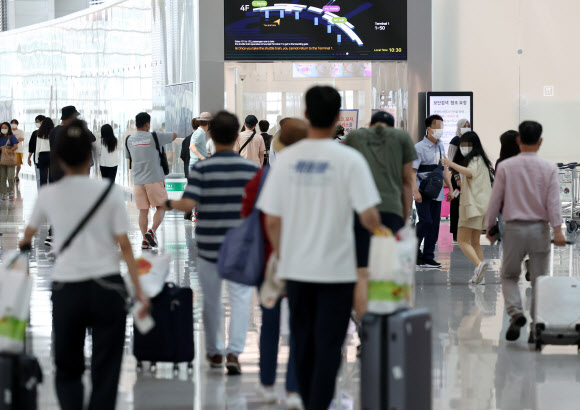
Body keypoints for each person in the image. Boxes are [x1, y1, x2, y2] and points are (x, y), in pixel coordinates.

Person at [257, 86, 386, 409]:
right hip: (337, 272)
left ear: (306, 114)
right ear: (337, 118)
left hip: (297, 270)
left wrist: (283, 254)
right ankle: (318, 403)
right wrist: (380, 230)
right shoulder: (349, 159)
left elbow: (271, 220)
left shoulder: (286, 161)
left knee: (302, 341)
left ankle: (305, 397)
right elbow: (369, 215)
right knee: (329, 345)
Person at [18, 120, 150, 410]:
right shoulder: (110, 193)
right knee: (107, 365)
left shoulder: (49, 194)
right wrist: (139, 290)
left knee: (67, 366)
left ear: (60, 158)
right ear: (91, 157)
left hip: (68, 289)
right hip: (108, 288)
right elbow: (126, 247)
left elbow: (26, 238)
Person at [164, 111, 259, 375]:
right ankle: (234, 353)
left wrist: (169, 203)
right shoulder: (251, 169)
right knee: (240, 299)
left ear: (211, 136)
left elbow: (189, 203)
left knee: (213, 300)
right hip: (241, 245)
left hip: (209, 246)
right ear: (236, 134)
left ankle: (216, 351)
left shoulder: (203, 168)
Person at [241, 118, 308, 408]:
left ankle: (267, 384)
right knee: (299, 325)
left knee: (269, 323)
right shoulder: (313, 177)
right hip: (304, 261)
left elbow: (247, 215)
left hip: (268, 261)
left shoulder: (264, 178)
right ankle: (293, 389)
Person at [485, 121, 565, 343]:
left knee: (509, 275)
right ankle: (536, 325)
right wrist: (557, 231)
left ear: (519, 140)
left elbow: (495, 200)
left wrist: (489, 226)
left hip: (514, 229)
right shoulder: (549, 168)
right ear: (540, 142)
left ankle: (516, 313)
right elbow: (554, 202)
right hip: (540, 229)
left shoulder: (506, 167)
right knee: (540, 280)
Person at [344, 110, 418, 319]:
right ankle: (386, 323)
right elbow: (406, 180)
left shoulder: (355, 137)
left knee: (362, 271)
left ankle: (364, 328)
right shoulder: (402, 137)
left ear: (371, 123)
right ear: (392, 126)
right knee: (387, 269)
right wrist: (404, 217)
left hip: (360, 208)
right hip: (391, 209)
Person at [442, 132, 493, 284]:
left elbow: (470, 174)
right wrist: (455, 194)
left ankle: (478, 265)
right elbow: (468, 185)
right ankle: (480, 277)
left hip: (472, 207)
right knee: (475, 242)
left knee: (462, 240)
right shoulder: (483, 160)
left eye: (466, 145)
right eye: (462, 145)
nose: (463, 148)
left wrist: (450, 164)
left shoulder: (474, 160)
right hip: (482, 206)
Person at [125, 112, 177, 250]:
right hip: (154, 179)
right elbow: (174, 136)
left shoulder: (129, 140)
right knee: (162, 206)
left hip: (138, 180)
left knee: (143, 211)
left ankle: (145, 240)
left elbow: (129, 157)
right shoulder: (155, 136)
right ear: (147, 124)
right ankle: (151, 231)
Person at [412, 114, 453, 268]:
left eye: (442, 127)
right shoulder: (419, 148)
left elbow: (444, 169)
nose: (440, 130)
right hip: (422, 192)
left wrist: (450, 188)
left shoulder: (441, 145)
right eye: (437, 127)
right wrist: (415, 192)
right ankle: (414, 251)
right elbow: (412, 172)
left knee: (435, 225)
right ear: (429, 128)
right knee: (425, 222)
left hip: (437, 193)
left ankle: (428, 256)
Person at [448, 119, 471, 242]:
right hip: (457, 179)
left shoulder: (470, 141)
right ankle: (455, 232)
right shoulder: (455, 140)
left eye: (468, 126)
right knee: (456, 204)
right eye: (464, 126)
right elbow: (451, 162)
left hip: (468, 177)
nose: (466, 128)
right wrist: (457, 178)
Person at [0, 122, 19, 201]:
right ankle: (3, 193)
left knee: (10, 177)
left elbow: (16, 146)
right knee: (2, 177)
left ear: (8, 128)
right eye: (2, 127)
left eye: (5, 127)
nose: (4, 129)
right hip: (1, 159)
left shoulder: (11, 136)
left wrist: (9, 150)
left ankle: (11, 191)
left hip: (10, 159)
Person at [35, 118, 54, 186]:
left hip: (42, 156)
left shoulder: (39, 134)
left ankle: (43, 195)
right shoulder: (54, 133)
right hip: (52, 156)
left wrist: (36, 161)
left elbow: (37, 148)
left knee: (43, 178)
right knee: (52, 178)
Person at [28, 115, 46, 189]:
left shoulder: (50, 132)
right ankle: (40, 193)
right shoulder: (35, 133)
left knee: (47, 178)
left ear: (43, 122)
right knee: (39, 177)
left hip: (47, 158)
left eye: (37, 121)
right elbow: (31, 146)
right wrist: (29, 157)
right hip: (37, 158)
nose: (36, 123)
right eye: (35, 122)